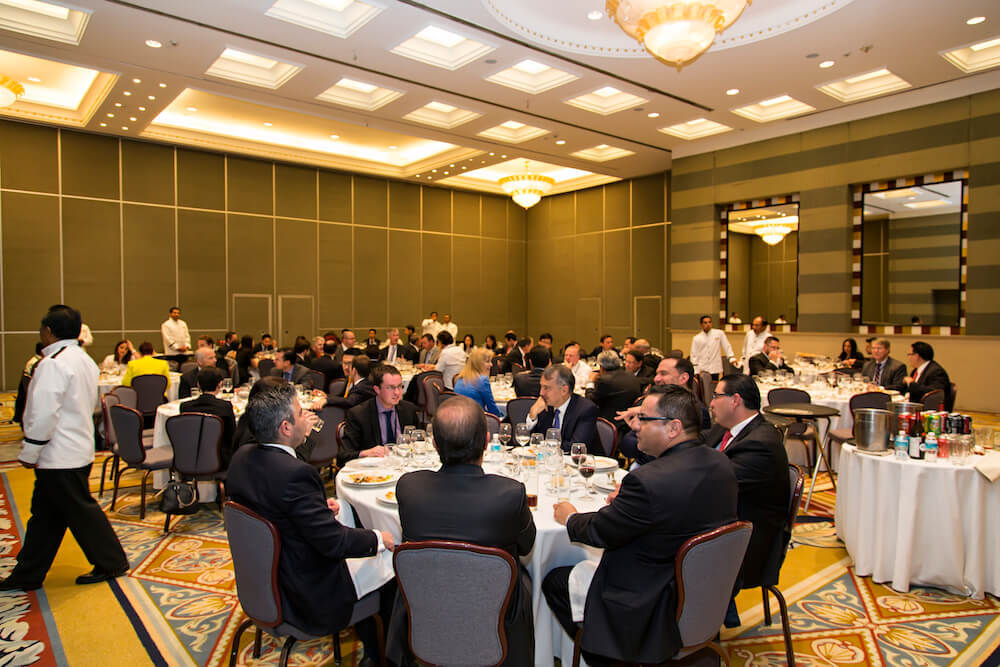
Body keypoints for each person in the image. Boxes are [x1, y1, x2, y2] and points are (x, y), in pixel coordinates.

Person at [542, 386, 738, 665]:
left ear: (673, 428)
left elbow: (601, 531)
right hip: (702, 592)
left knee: (554, 580)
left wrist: (570, 517)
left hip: (647, 601)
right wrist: (630, 505)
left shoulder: (649, 481)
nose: (635, 426)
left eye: (644, 419)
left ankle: (609, 656)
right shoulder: (722, 464)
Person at [226, 381, 395, 664]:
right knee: (389, 559)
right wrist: (379, 538)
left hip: (264, 581)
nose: (306, 416)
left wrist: (314, 509)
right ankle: (382, 655)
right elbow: (334, 543)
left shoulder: (242, 458)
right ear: (285, 427)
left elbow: (272, 507)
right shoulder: (295, 474)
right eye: (299, 412)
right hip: (306, 594)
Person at [389, 395, 536, 666]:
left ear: (434, 444)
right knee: (525, 577)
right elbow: (527, 546)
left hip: (427, 609)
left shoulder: (409, 488)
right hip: (497, 618)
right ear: (487, 442)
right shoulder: (509, 494)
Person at [1, 305, 129, 591]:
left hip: (59, 454)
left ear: (48, 331)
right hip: (76, 447)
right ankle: (28, 573)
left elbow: (43, 413)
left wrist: (30, 451)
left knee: (79, 512)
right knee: (47, 515)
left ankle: (112, 561)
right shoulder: (84, 359)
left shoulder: (53, 364)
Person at [703, 374, 789, 626]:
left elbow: (715, 484)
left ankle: (699, 625)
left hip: (749, 541)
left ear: (735, 400)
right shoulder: (726, 428)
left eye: (716, 396)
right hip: (727, 518)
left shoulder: (761, 443)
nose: (711, 403)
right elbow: (698, 448)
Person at [616, 357, 711, 463]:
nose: (656, 379)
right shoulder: (652, 402)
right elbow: (626, 445)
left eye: (663, 373)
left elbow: (680, 456)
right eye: (656, 374)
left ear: (683, 378)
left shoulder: (697, 411)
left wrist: (644, 445)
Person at [340, 364, 422, 466]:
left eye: (400, 386)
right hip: (374, 470)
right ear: (377, 389)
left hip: (404, 466)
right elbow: (343, 456)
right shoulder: (359, 414)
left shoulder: (408, 409)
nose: (397, 393)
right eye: (391, 388)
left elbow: (419, 443)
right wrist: (367, 453)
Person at [526, 365, 599, 453]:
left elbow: (576, 448)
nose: (541, 393)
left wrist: (543, 447)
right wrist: (532, 416)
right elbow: (531, 442)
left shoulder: (586, 410)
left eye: (546, 388)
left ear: (564, 390)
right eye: (541, 386)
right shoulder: (545, 406)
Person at [179, 367, 237, 468]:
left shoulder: (185, 406)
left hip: (191, 457)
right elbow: (231, 434)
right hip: (220, 459)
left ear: (198, 385)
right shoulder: (225, 406)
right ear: (220, 384)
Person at [586, 350, 642, 429]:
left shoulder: (604, 380)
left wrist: (590, 382)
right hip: (630, 417)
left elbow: (590, 401)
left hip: (611, 422)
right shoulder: (631, 375)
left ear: (601, 367)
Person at [902, 341, 953, 410]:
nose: (909, 357)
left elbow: (934, 393)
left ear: (917, 356)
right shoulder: (916, 370)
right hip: (914, 405)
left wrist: (911, 383)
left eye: (910, 354)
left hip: (928, 409)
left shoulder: (936, 371)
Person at [453, 347, 501, 417]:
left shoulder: (460, 378)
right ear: (478, 364)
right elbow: (491, 407)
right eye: (487, 361)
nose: (491, 365)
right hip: (475, 418)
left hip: (459, 417)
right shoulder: (482, 380)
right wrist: (501, 417)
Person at [690, 315, 738, 380]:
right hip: (702, 368)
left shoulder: (719, 333)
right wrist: (695, 370)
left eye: (709, 322)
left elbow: (727, 346)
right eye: (705, 323)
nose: (708, 324)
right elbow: (694, 355)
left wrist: (731, 357)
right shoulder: (697, 338)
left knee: (714, 384)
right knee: (703, 385)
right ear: (701, 324)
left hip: (715, 367)